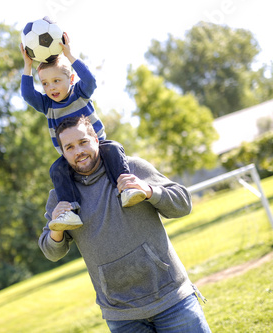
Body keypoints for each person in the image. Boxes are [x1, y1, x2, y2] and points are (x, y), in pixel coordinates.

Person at [38, 115, 211, 332]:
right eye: (69, 147)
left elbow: (183, 204)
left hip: (172, 298)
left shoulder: (133, 168)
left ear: (96, 140)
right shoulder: (59, 198)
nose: (78, 151)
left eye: (83, 142)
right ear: (63, 153)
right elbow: (51, 252)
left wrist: (149, 191)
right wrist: (57, 228)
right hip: (121, 315)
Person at [20, 32, 146, 231]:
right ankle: (70, 210)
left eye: (56, 81)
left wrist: (69, 55)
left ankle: (126, 188)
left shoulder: (80, 92)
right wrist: (27, 66)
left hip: (97, 146)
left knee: (114, 148)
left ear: (70, 78)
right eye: (45, 83)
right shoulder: (47, 104)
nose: (51, 87)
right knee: (56, 170)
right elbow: (27, 94)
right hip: (70, 155)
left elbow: (90, 80)